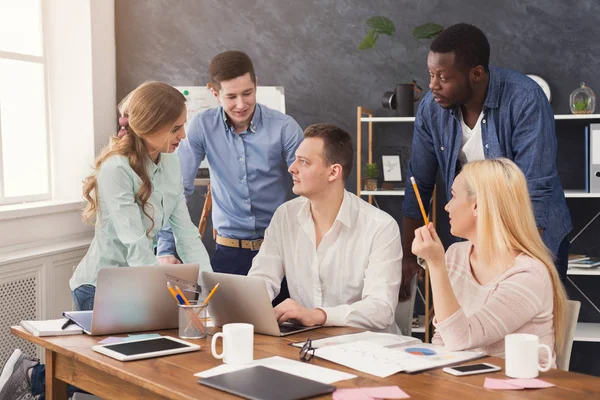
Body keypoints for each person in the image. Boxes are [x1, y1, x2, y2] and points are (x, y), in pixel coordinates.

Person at [2, 81, 212, 400]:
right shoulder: (116, 169)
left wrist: (207, 288)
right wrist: (163, 295)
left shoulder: (170, 163)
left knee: (138, 367)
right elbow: (135, 243)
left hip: (138, 282)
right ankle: (32, 376)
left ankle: (32, 374)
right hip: (99, 287)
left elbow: (186, 233)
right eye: (176, 128)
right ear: (150, 126)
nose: (183, 136)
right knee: (106, 372)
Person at [399, 23, 572, 306]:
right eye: (431, 74)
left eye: (443, 77)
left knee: (529, 336)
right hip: (473, 241)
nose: (432, 86)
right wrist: (408, 255)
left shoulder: (524, 98)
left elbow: (534, 192)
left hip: (531, 237)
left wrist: (512, 265)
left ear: (476, 74)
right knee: (471, 334)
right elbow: (418, 183)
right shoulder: (432, 108)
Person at [157, 51, 303, 304]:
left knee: (286, 333)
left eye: (247, 93)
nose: (240, 104)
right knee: (225, 334)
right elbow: (177, 189)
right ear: (214, 94)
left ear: (256, 84)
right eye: (231, 96)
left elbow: (309, 187)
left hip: (281, 253)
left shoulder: (285, 127)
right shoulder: (201, 127)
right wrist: (166, 248)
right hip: (228, 254)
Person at [248, 124, 402, 332]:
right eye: (296, 159)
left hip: (367, 350)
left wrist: (319, 315)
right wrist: (246, 306)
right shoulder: (285, 216)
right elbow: (263, 279)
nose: (292, 168)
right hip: (306, 345)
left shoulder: (381, 227)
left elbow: (381, 310)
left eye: (304, 162)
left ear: (333, 172)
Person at [412, 158, 567, 365]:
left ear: (476, 206)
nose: (447, 206)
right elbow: (442, 339)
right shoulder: (456, 255)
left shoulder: (529, 275)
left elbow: (460, 339)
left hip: (521, 390)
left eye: (453, 196)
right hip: (466, 385)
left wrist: (436, 264)